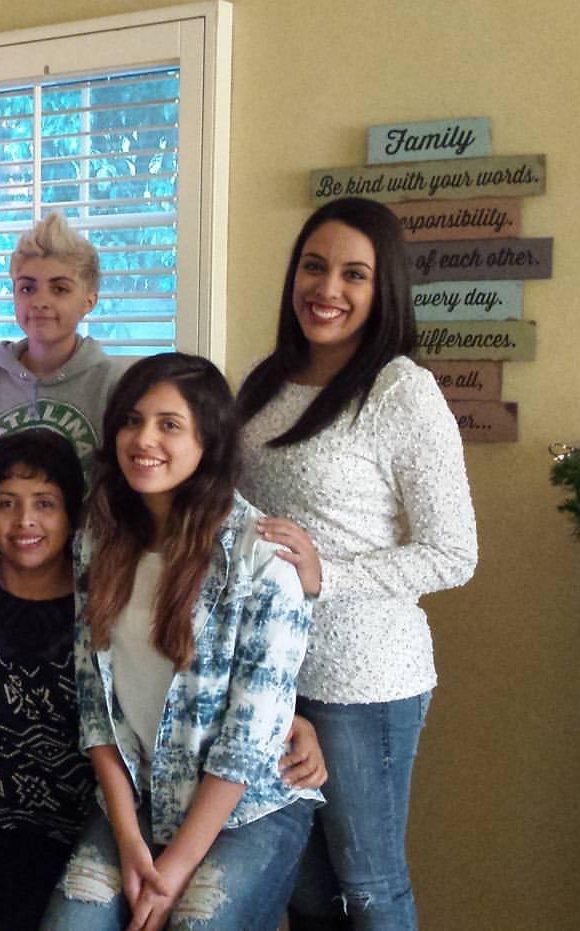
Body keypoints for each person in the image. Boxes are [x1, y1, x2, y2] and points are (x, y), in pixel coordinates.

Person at [236, 197, 478, 930]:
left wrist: (328, 574)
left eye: (353, 274)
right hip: (271, 671)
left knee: (369, 888)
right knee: (305, 892)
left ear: (384, 288)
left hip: (361, 679)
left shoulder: (401, 390)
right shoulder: (265, 381)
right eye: (314, 267)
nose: (327, 288)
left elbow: (454, 552)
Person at [43, 353, 323, 931]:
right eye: (132, 420)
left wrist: (172, 871)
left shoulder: (260, 556)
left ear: (207, 441)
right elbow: (95, 707)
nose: (144, 439)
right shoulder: (97, 540)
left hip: (245, 809)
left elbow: (249, 738)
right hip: (138, 800)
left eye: (169, 424)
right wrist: (129, 841)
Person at [0, 429, 93, 931]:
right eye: (6, 503)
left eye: (44, 503)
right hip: (8, 823)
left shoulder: (105, 598)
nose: (25, 520)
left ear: (71, 513)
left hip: (105, 817)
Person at [0, 212, 127, 467]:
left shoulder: (112, 384)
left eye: (60, 289)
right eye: (27, 288)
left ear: (89, 300)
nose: (40, 301)